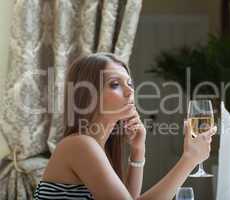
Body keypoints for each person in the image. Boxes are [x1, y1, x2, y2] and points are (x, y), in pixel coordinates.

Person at [34, 52, 217, 200]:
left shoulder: (98, 146)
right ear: (88, 96)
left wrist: (138, 150)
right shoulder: (80, 145)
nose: (130, 91)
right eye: (115, 84)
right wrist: (189, 159)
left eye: (129, 83)